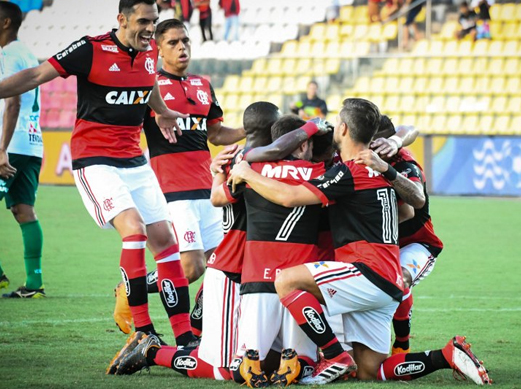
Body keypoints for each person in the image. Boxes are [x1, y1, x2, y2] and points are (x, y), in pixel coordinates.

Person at [227, 98, 491, 385]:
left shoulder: (349, 171)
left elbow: (289, 197)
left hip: (368, 270)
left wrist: (247, 174)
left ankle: (333, 354)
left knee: (286, 281)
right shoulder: (379, 165)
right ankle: (445, 355)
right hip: (389, 281)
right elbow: (408, 205)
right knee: (370, 370)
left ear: (342, 128)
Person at [0, 0, 200, 354]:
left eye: (153, 21)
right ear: (122, 19)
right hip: (94, 160)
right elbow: (34, 76)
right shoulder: (89, 49)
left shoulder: (151, 52)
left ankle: (186, 338)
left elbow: (149, 84)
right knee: (134, 230)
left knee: (167, 242)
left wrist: (161, 110)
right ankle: (142, 330)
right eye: (143, 21)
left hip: (134, 161)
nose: (149, 28)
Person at [107, 107, 331, 379]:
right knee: (226, 369)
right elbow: (221, 198)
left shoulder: (238, 162)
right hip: (231, 272)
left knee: (265, 359)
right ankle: (153, 351)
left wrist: (216, 172)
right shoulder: (251, 167)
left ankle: (193, 338)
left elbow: (217, 196)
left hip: (249, 269)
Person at [112, 18, 246, 337]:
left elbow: (215, 133)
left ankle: (198, 331)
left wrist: (250, 131)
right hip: (171, 191)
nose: (182, 47)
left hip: (208, 190)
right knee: (192, 267)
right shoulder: (149, 87)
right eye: (173, 42)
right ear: (158, 49)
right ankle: (130, 289)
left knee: (225, 265)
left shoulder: (202, 84)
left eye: (185, 41)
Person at [366, 116, 443, 355]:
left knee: (400, 278)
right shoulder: (356, 156)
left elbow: (408, 210)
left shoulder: (405, 164)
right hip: (380, 242)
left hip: (415, 243)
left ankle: (402, 343)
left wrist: (395, 144)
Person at [0, 1, 45, 298]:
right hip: (32, 144)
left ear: (5, 23)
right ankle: (33, 283)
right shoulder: (28, 53)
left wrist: (1, 150)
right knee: (23, 210)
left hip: (11, 144)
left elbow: (12, 101)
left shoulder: (7, 54)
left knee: (23, 210)